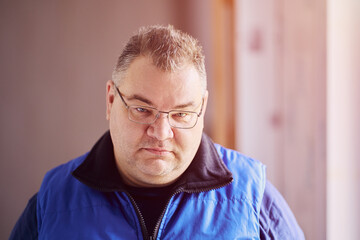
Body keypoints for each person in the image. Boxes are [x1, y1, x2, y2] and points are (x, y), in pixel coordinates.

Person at [10, 25, 304, 240]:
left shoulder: (255, 199)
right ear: (111, 100)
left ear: (201, 109)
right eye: (142, 109)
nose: (161, 132)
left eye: (181, 114)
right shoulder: (54, 200)